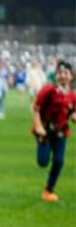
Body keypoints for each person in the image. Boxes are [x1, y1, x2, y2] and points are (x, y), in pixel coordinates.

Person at [32, 60, 75, 202]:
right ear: (56, 76)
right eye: (60, 73)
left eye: (66, 73)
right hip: (45, 131)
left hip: (61, 132)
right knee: (43, 162)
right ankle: (41, 143)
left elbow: (73, 112)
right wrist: (38, 126)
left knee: (59, 161)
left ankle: (48, 191)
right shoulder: (48, 90)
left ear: (71, 77)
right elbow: (36, 109)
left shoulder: (73, 96)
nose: (62, 75)